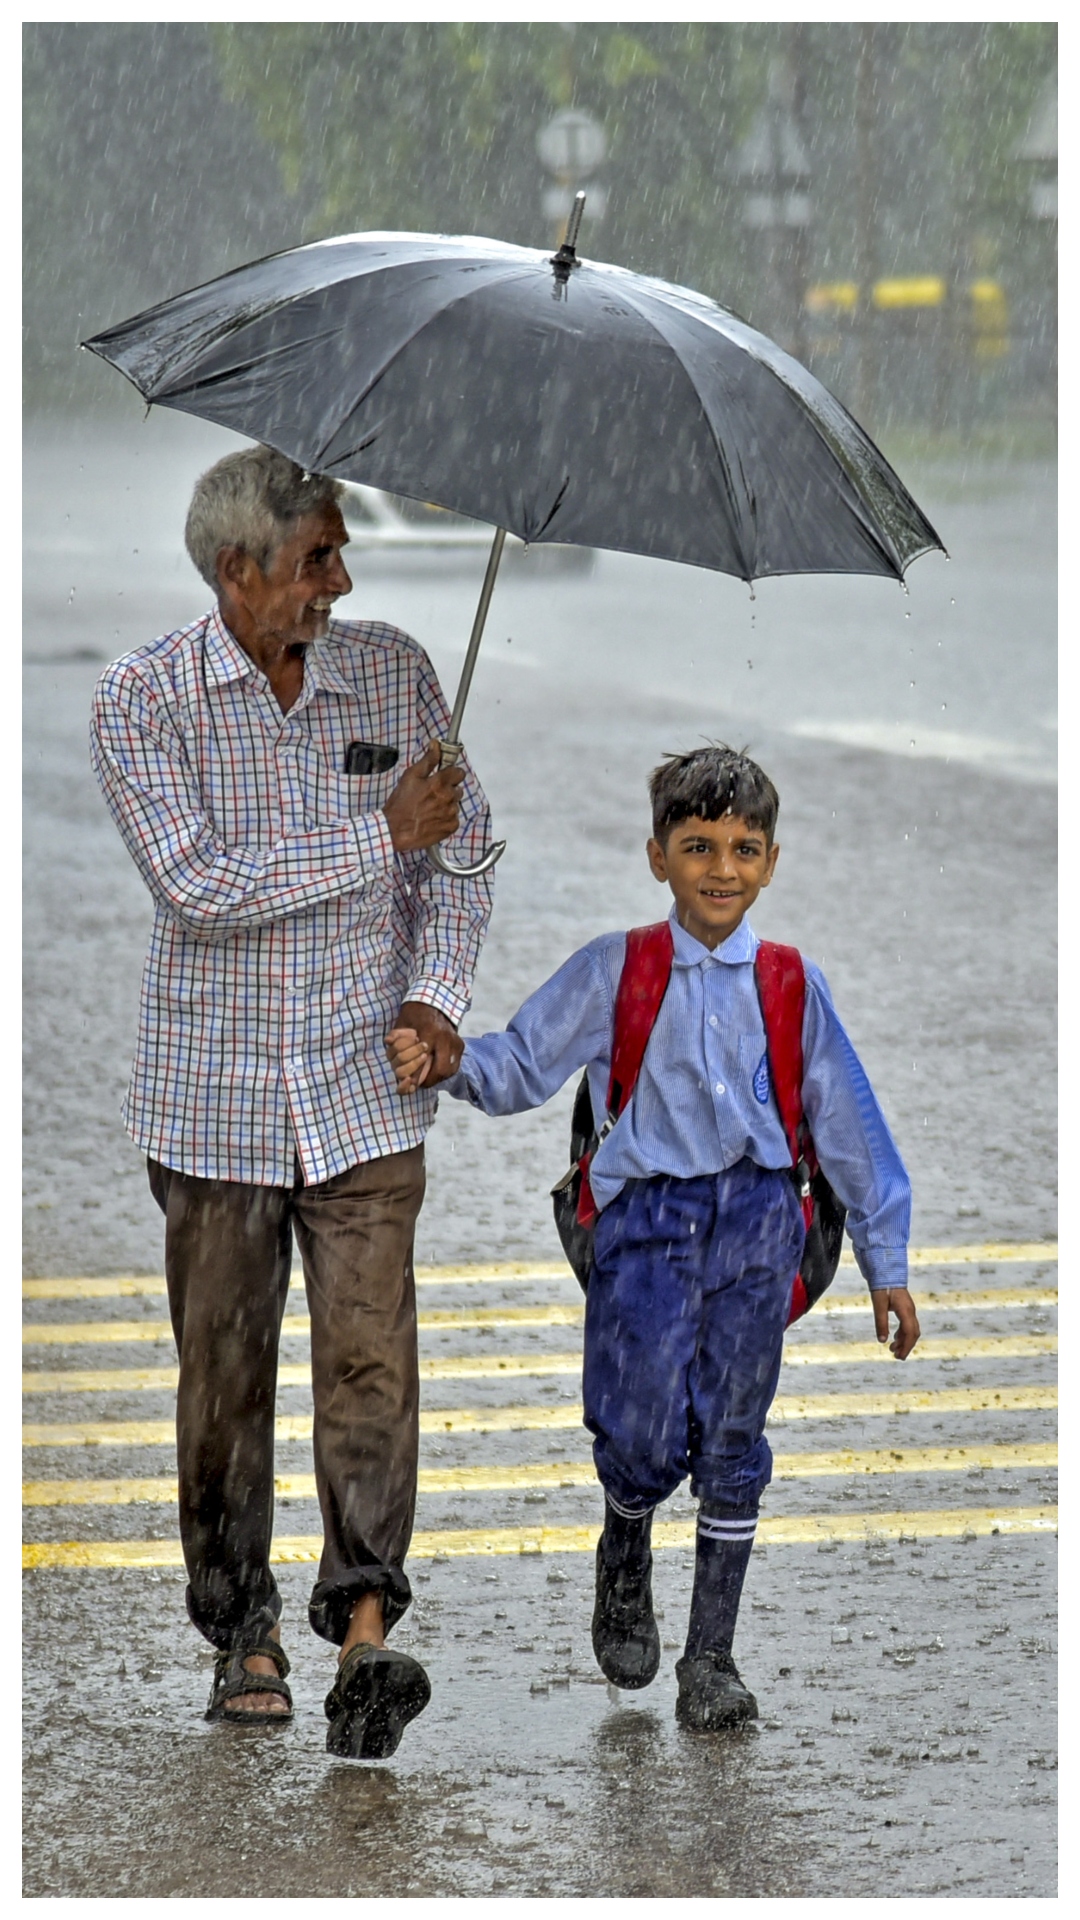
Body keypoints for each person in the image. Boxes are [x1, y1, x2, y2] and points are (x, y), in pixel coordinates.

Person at [89, 443, 494, 1759]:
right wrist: (379, 832)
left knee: (372, 1368)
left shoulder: (394, 671)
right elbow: (199, 884)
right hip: (212, 1112)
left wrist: (436, 998)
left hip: (366, 1101)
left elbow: (467, 858)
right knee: (225, 1381)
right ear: (237, 570)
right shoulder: (144, 701)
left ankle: (366, 1627)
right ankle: (241, 1624)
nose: (343, 577)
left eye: (337, 552)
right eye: (318, 556)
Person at [387, 744, 920, 1731]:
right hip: (642, 1226)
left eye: (744, 848)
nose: (722, 868)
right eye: (698, 845)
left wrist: (887, 1265)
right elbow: (521, 1063)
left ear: (770, 861)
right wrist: (450, 1056)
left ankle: (710, 1658)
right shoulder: (617, 969)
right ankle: (625, 1535)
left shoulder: (792, 984)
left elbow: (850, 1127)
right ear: (657, 856)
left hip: (760, 1222)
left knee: (734, 1433)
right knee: (633, 1428)